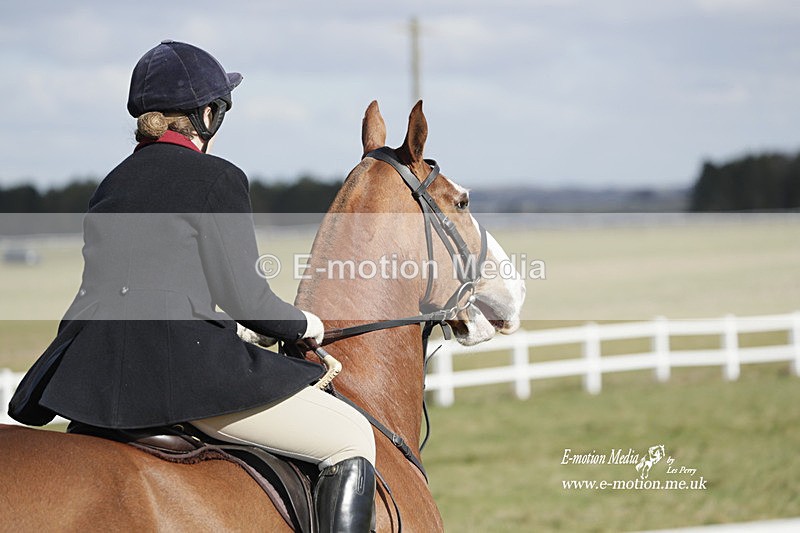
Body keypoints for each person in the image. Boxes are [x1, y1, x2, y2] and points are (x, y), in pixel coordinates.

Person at [9, 40, 375, 532]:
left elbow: (143, 284)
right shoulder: (217, 178)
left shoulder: (112, 183)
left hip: (92, 375)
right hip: (178, 372)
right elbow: (246, 298)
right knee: (352, 438)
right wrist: (304, 323)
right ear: (207, 114)